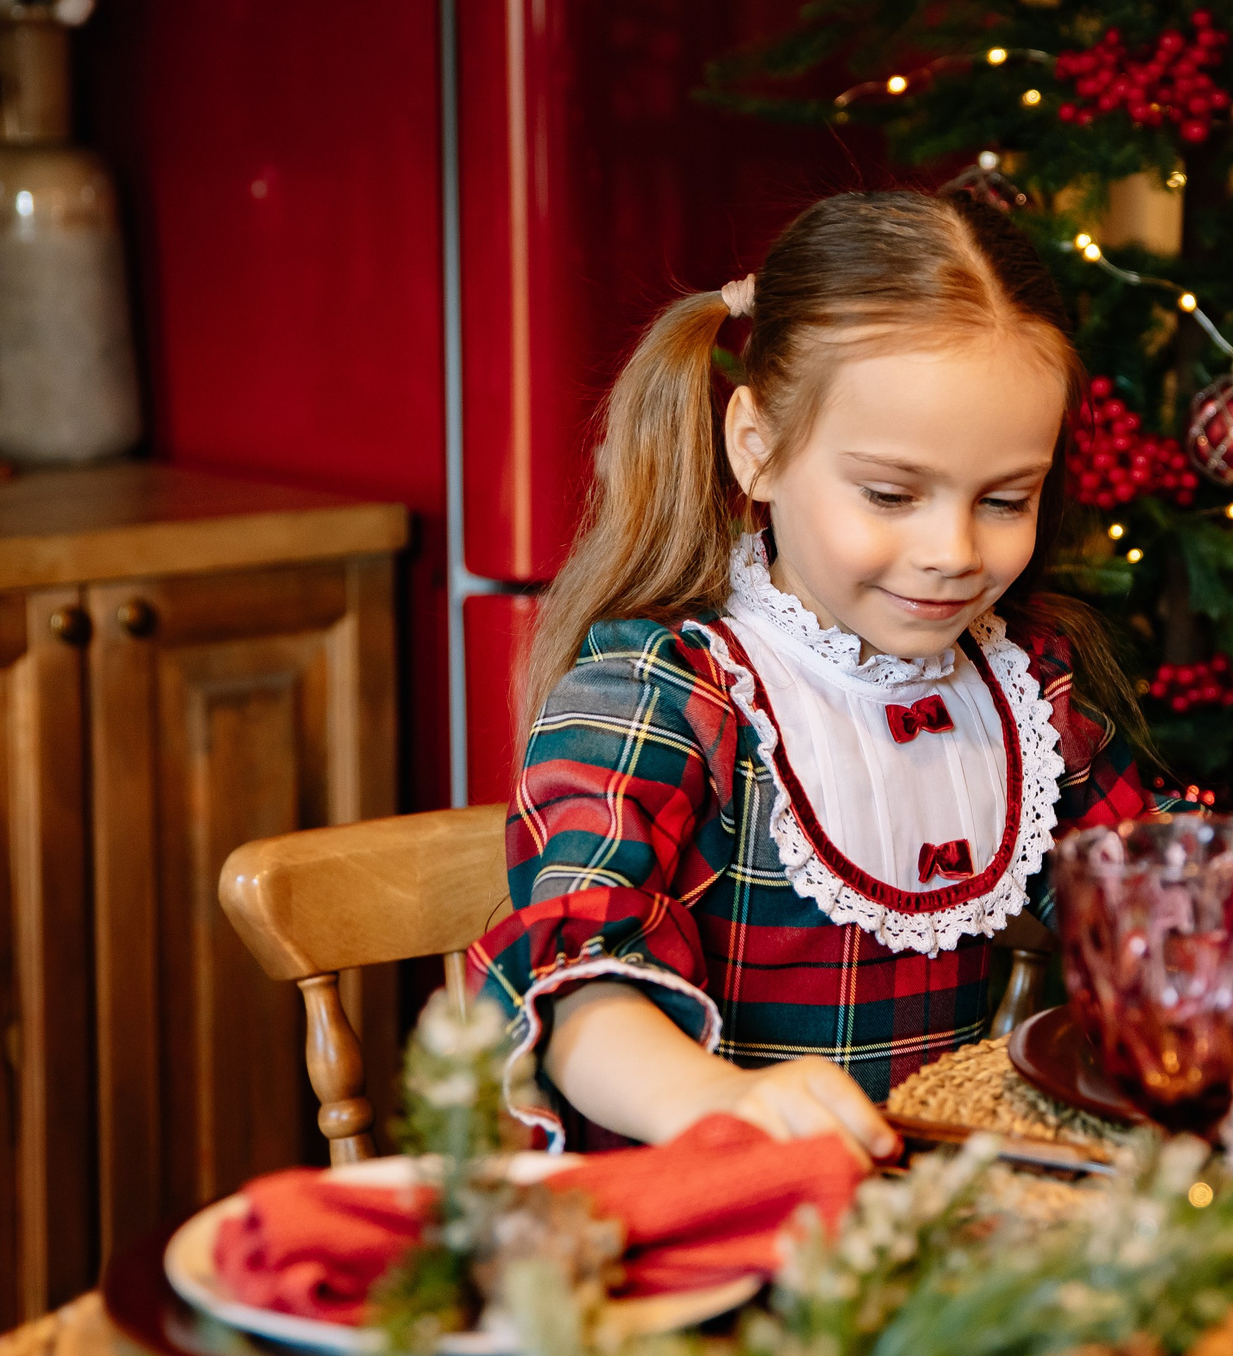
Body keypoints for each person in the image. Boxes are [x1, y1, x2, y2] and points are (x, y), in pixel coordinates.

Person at [469, 188, 1173, 1164]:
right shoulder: (670, 694)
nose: (952, 551)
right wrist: (710, 1098)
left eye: (1005, 498)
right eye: (891, 494)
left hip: (924, 1241)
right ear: (756, 448)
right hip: (712, 1240)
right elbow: (578, 970)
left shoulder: (1023, 685)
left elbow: (1169, 889)